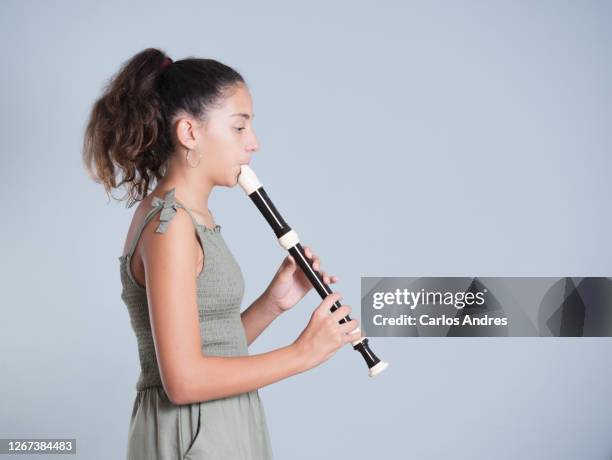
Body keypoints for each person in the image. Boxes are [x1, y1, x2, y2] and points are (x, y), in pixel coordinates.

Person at [81, 47, 362, 459]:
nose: (254, 144)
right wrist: (304, 353)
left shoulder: (194, 218)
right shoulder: (171, 225)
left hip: (219, 422)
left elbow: (210, 349)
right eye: (238, 128)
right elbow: (184, 380)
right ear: (190, 133)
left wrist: (274, 303)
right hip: (192, 431)